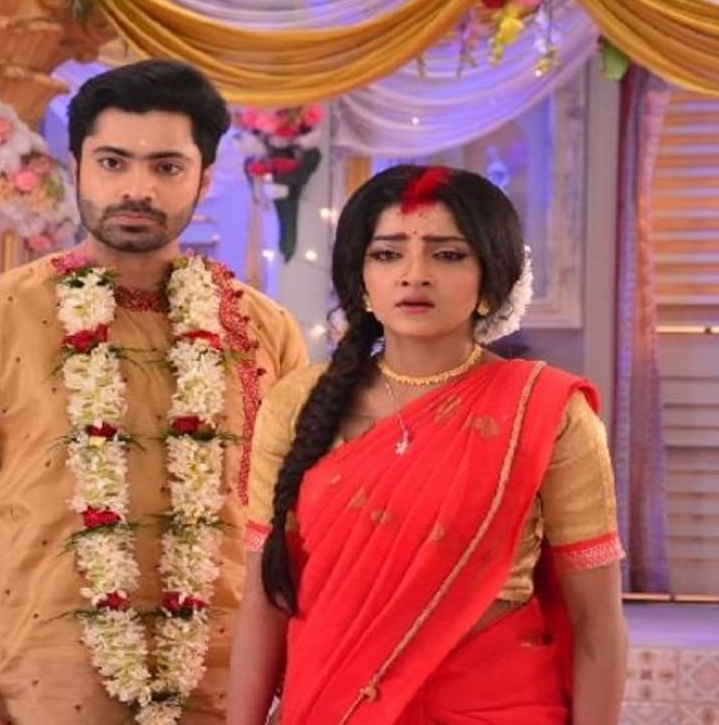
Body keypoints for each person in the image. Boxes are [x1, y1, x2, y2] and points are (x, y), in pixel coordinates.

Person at [0, 60, 308, 724]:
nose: (137, 188)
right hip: (32, 698)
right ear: (77, 167)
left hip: (224, 695)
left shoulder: (264, 329)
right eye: (113, 162)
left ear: (204, 178)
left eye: (167, 167)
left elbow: (294, 529)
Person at [226, 165, 629, 723]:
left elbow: (597, 624)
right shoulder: (296, 404)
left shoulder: (546, 411)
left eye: (448, 255)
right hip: (334, 705)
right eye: (388, 254)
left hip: (494, 709)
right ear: (360, 279)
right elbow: (263, 600)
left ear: (491, 281)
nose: (414, 275)